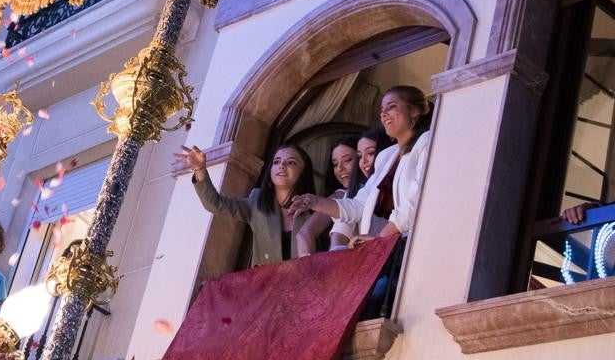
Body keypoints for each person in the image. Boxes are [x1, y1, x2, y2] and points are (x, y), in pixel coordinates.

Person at [290, 86, 433, 246]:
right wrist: (314, 202)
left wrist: (379, 239)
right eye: (381, 110)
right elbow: (359, 205)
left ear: (414, 111)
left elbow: (417, 198)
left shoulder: (427, 142)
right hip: (381, 248)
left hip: (408, 244)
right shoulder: (385, 156)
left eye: (391, 107)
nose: (384, 114)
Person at [175, 143, 316, 267]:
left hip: (307, 289)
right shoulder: (256, 202)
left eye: (291, 162)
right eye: (276, 161)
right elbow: (215, 204)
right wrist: (200, 169)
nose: (282, 166)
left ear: (303, 171)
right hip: (267, 289)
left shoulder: (315, 207)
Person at [295, 137, 360, 256]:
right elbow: (304, 234)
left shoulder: (374, 191)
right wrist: (308, 272)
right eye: (335, 164)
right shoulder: (340, 195)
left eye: (347, 160)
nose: (340, 168)